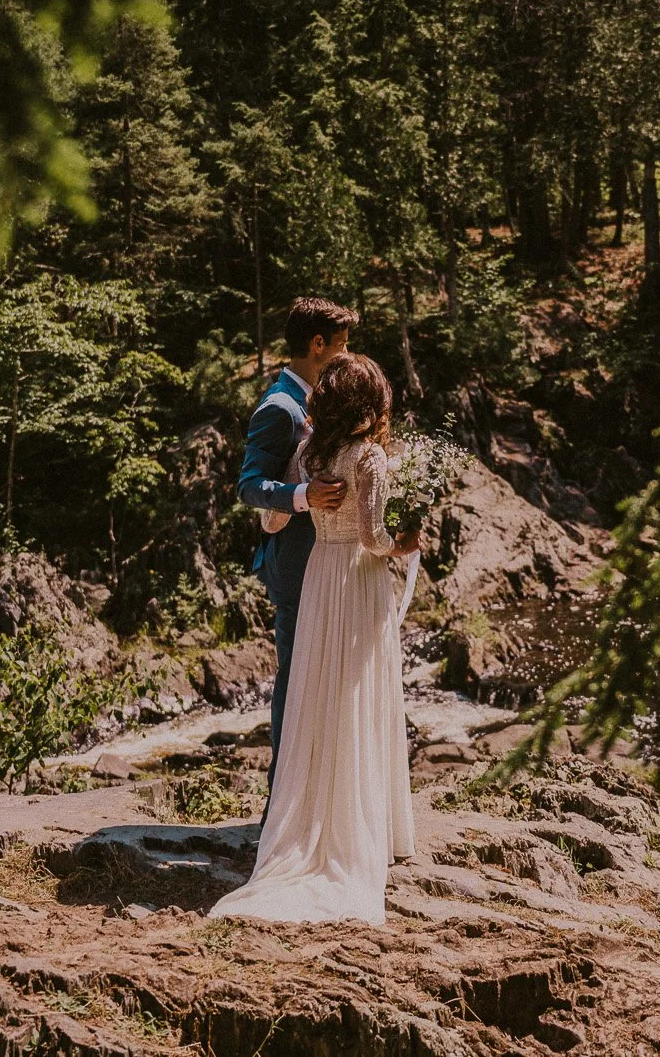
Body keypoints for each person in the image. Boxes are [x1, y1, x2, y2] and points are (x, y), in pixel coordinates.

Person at [211, 353, 421, 925]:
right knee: (358, 692)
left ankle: (308, 820)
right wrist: (408, 540)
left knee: (317, 691)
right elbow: (376, 538)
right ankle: (365, 829)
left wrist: (304, 499)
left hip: (320, 576)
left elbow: (273, 519)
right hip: (356, 578)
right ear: (371, 402)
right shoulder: (370, 455)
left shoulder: (311, 453)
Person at [237, 298, 356, 783]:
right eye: (343, 345)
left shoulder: (319, 398)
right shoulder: (280, 408)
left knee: (324, 679)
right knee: (295, 681)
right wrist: (305, 495)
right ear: (317, 344)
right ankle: (281, 799)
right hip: (294, 567)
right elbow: (249, 486)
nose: (348, 355)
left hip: (327, 563)